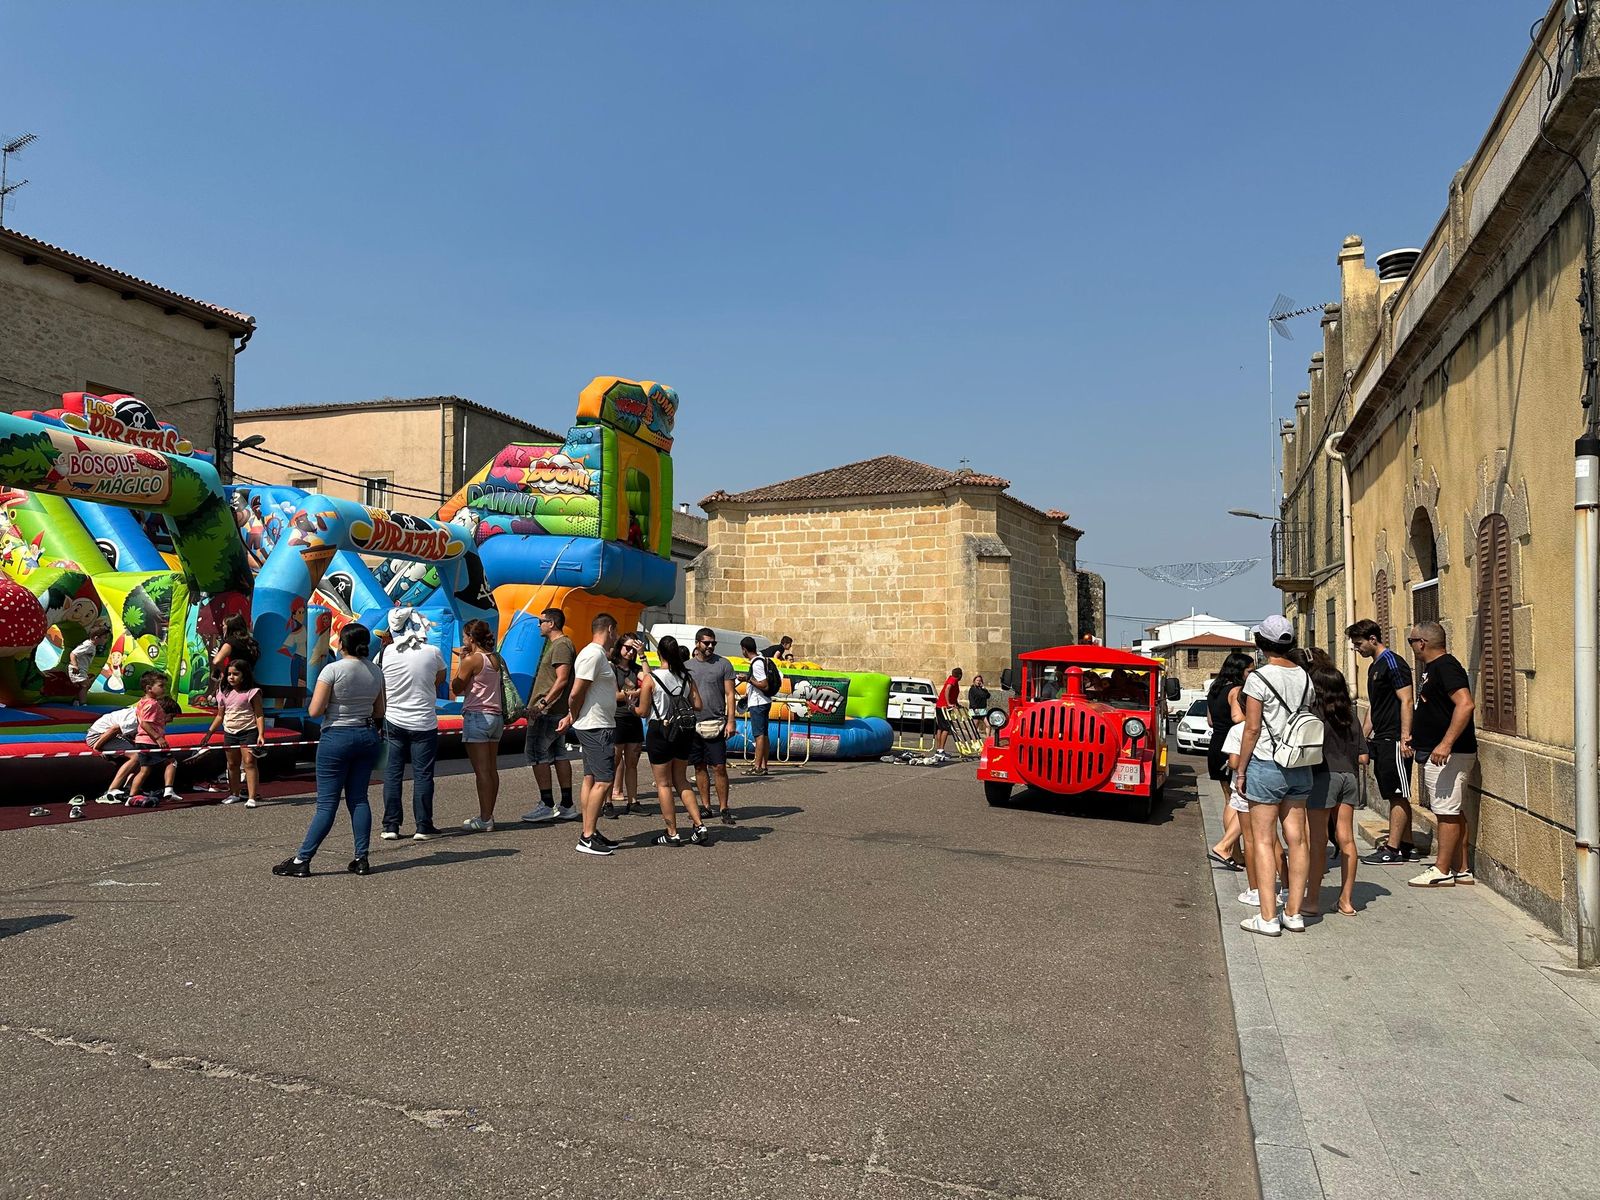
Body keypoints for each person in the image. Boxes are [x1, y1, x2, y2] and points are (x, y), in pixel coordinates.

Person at [273, 623, 385, 877]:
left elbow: (314, 710)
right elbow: (380, 711)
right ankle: (361, 857)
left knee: (327, 803)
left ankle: (303, 859)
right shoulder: (376, 671)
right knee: (359, 798)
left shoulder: (332, 670)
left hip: (337, 735)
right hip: (366, 735)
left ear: (342, 644)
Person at [1235, 615, 1315, 937]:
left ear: (1261, 644)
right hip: (1300, 763)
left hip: (1267, 764)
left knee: (1264, 840)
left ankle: (1268, 916)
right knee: (1298, 839)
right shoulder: (1306, 678)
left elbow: (1252, 728)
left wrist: (1241, 769)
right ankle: (1294, 913)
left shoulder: (1257, 679)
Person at [1406, 622, 1478, 887]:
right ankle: (1461, 868)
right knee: (1453, 811)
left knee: (1446, 811)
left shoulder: (1446, 667)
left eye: (1411, 640)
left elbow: (1465, 703)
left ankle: (1442, 870)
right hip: (1439, 751)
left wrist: (1445, 743)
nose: (1411, 646)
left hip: (1449, 754)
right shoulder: (1435, 669)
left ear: (1422, 643)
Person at [1348, 618, 1418, 865]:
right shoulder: (1374, 667)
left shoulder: (1393, 663)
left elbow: (1407, 701)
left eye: (1359, 644)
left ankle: (1393, 849)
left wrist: (1405, 738)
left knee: (1397, 794)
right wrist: (1362, 740)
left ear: (1373, 639)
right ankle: (1407, 845)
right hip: (1381, 739)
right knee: (1392, 793)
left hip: (1395, 739)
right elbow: (1374, 709)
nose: (1357, 649)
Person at [634, 635, 712, 846]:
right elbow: (698, 704)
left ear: (659, 654)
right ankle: (699, 825)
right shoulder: (686, 677)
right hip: (684, 730)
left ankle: (672, 832)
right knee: (682, 780)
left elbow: (642, 711)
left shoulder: (652, 678)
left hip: (660, 729)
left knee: (663, 784)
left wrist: (632, 704)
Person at [378, 606, 445, 840]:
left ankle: (391, 826)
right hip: (424, 720)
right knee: (423, 775)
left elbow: (382, 682)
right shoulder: (432, 652)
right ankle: (423, 826)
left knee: (393, 774)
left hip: (394, 719)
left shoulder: (386, 653)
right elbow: (440, 678)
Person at [1307, 663, 1368, 915]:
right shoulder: (1351, 715)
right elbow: (1363, 756)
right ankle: (1346, 900)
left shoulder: (1315, 713)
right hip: (1350, 777)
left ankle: (1311, 900)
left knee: (1318, 840)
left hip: (1324, 776)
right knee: (1347, 838)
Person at [564, 613, 623, 856]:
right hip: (595, 727)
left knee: (592, 778)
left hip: (596, 724)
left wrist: (573, 716)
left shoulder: (597, 656)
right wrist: (573, 715)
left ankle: (591, 830)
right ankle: (587, 836)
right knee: (604, 780)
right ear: (609, 629)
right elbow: (576, 693)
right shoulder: (593, 654)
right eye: (616, 632)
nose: (617, 637)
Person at [522, 608, 579, 823]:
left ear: (552, 623)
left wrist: (543, 703)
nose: (539, 625)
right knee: (558, 755)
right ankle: (566, 804)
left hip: (547, 711)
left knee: (537, 754)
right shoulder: (559, 645)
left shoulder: (561, 645)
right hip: (554, 710)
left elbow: (562, 678)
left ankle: (546, 804)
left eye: (541, 621)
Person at [453, 618, 505, 833]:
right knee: (491, 769)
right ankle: (488, 814)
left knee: (481, 771)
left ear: (471, 638)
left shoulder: (472, 660)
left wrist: (461, 663)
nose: (463, 639)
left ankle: (485, 818)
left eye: (465, 636)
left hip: (477, 716)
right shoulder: (496, 658)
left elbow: (456, 687)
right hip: (495, 716)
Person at [1206, 650, 1255, 871]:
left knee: (1229, 798)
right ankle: (1231, 850)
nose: (1251, 675)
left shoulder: (1214, 689)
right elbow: (1237, 718)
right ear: (1239, 671)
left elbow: (1209, 720)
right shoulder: (1236, 690)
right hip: (1231, 748)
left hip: (1215, 745)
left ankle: (1234, 851)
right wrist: (1254, 717)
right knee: (1236, 801)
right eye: (1249, 671)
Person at [687, 628, 737, 823]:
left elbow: (730, 694)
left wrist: (731, 721)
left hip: (716, 722)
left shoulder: (723, 664)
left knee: (719, 767)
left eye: (713, 643)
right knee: (699, 766)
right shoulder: (687, 666)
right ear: (697, 643)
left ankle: (724, 807)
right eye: (706, 643)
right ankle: (706, 806)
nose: (710, 647)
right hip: (694, 724)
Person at [206, 659, 266, 808]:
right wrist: (209, 733)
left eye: (235, 674)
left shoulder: (252, 693)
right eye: (229, 674)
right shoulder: (223, 693)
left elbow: (259, 714)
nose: (231, 677)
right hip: (230, 732)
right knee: (232, 764)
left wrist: (261, 734)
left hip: (248, 731)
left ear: (244, 675)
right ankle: (234, 793)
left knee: (249, 762)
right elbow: (220, 716)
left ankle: (252, 797)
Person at [127, 671, 181, 806]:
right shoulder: (152, 704)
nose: (164, 689)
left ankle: (132, 795)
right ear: (149, 688)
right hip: (150, 741)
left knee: (145, 769)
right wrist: (158, 738)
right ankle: (169, 789)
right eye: (161, 686)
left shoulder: (142, 702)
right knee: (171, 761)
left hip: (142, 741)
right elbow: (144, 723)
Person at [607, 634, 645, 818]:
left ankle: (633, 801)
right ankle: (607, 802)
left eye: (633, 649)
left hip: (633, 718)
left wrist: (643, 655)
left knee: (632, 763)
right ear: (619, 647)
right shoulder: (612, 667)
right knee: (612, 762)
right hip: (616, 718)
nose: (630, 652)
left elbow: (649, 681)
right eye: (627, 648)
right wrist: (638, 692)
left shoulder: (635, 668)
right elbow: (615, 696)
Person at [87, 703, 141, 803]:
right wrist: (97, 747)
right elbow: (114, 729)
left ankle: (128, 787)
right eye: (170, 717)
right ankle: (112, 790)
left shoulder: (142, 714)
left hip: (112, 735)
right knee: (136, 756)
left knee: (142, 752)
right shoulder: (137, 719)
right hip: (99, 736)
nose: (170, 721)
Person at [739, 636, 775, 775]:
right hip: (762, 701)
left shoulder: (757, 663)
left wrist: (747, 679)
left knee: (759, 735)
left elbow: (764, 684)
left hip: (759, 703)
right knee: (764, 735)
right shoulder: (761, 659)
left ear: (744, 649)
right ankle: (763, 765)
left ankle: (757, 766)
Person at [934, 667, 963, 758]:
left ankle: (939, 749)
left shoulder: (951, 679)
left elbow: (952, 694)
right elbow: (947, 689)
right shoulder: (953, 680)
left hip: (940, 706)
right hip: (944, 707)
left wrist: (956, 704)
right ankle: (941, 750)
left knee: (941, 728)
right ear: (959, 675)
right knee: (946, 728)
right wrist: (949, 703)